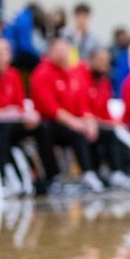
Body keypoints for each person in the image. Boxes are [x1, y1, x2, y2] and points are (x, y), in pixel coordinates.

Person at [31, 37, 102, 194]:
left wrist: (89, 121)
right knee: (52, 130)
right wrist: (75, 123)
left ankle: (96, 174)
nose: (63, 55)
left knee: (101, 132)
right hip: (50, 123)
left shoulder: (72, 73)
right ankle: (54, 178)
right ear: (50, 52)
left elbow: (82, 103)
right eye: (59, 51)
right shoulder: (42, 73)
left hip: (69, 122)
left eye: (66, 51)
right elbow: (50, 108)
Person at [70, 47, 130, 188]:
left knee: (115, 132)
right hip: (80, 121)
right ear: (91, 61)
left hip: (98, 122)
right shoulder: (80, 76)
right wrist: (90, 121)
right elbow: (81, 105)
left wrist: (114, 122)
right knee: (90, 133)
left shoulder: (104, 81)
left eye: (106, 62)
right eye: (100, 61)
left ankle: (118, 173)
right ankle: (89, 174)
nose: (104, 65)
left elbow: (105, 110)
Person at [0, 37, 39, 195]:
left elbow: (19, 107)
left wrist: (28, 116)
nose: (2, 56)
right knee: (2, 129)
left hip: (10, 123)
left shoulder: (12, 74)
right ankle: (2, 178)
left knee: (41, 128)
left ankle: (42, 180)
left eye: (6, 52)